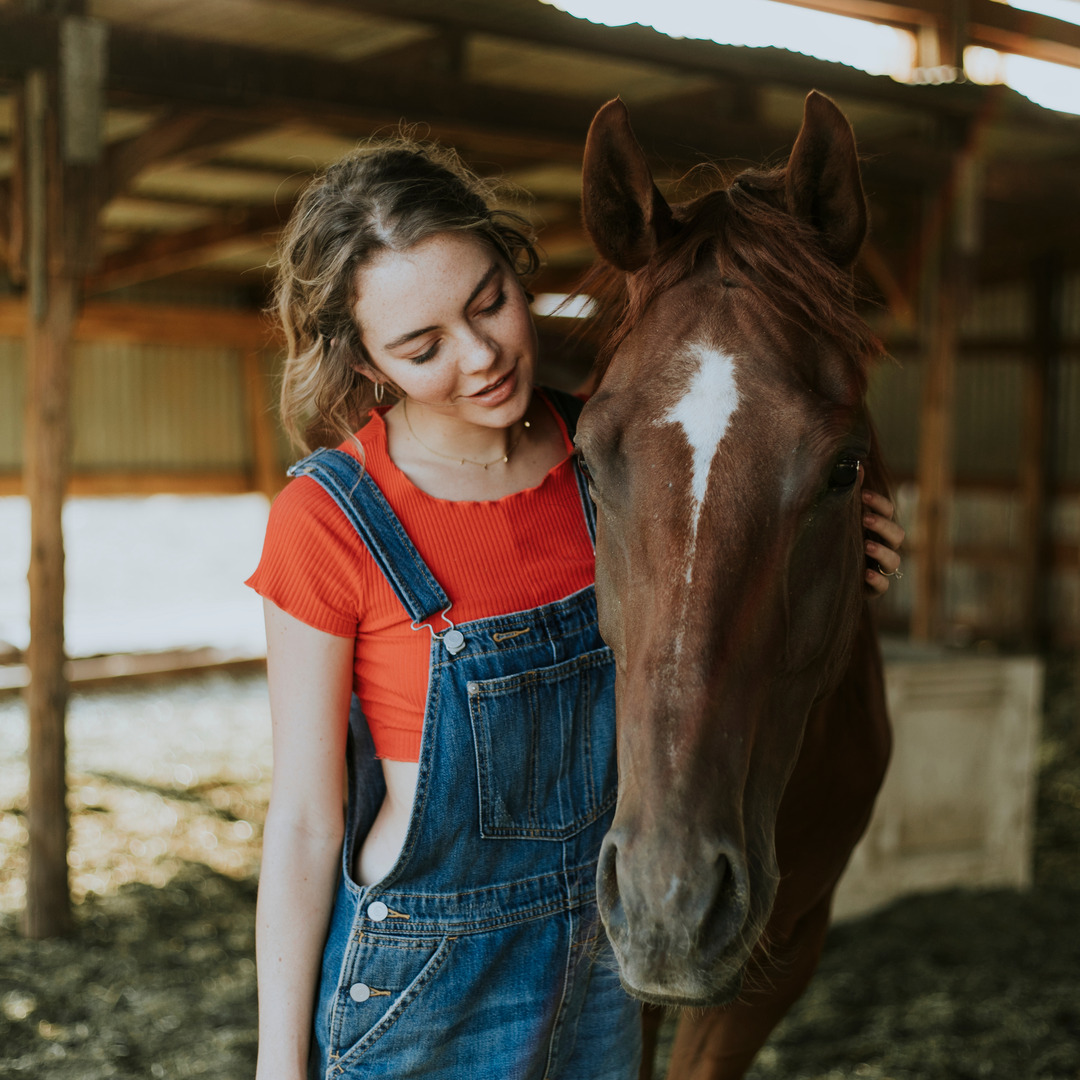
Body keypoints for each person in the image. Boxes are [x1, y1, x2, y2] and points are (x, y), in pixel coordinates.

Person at [246, 137, 905, 1080]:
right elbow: (308, 819)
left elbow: (734, 526)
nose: (478, 357)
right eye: (423, 346)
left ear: (520, 266)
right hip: (422, 986)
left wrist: (850, 543)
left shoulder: (616, 462)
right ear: (365, 361)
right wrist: (279, 1063)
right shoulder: (327, 520)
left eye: (489, 303)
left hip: (597, 969)